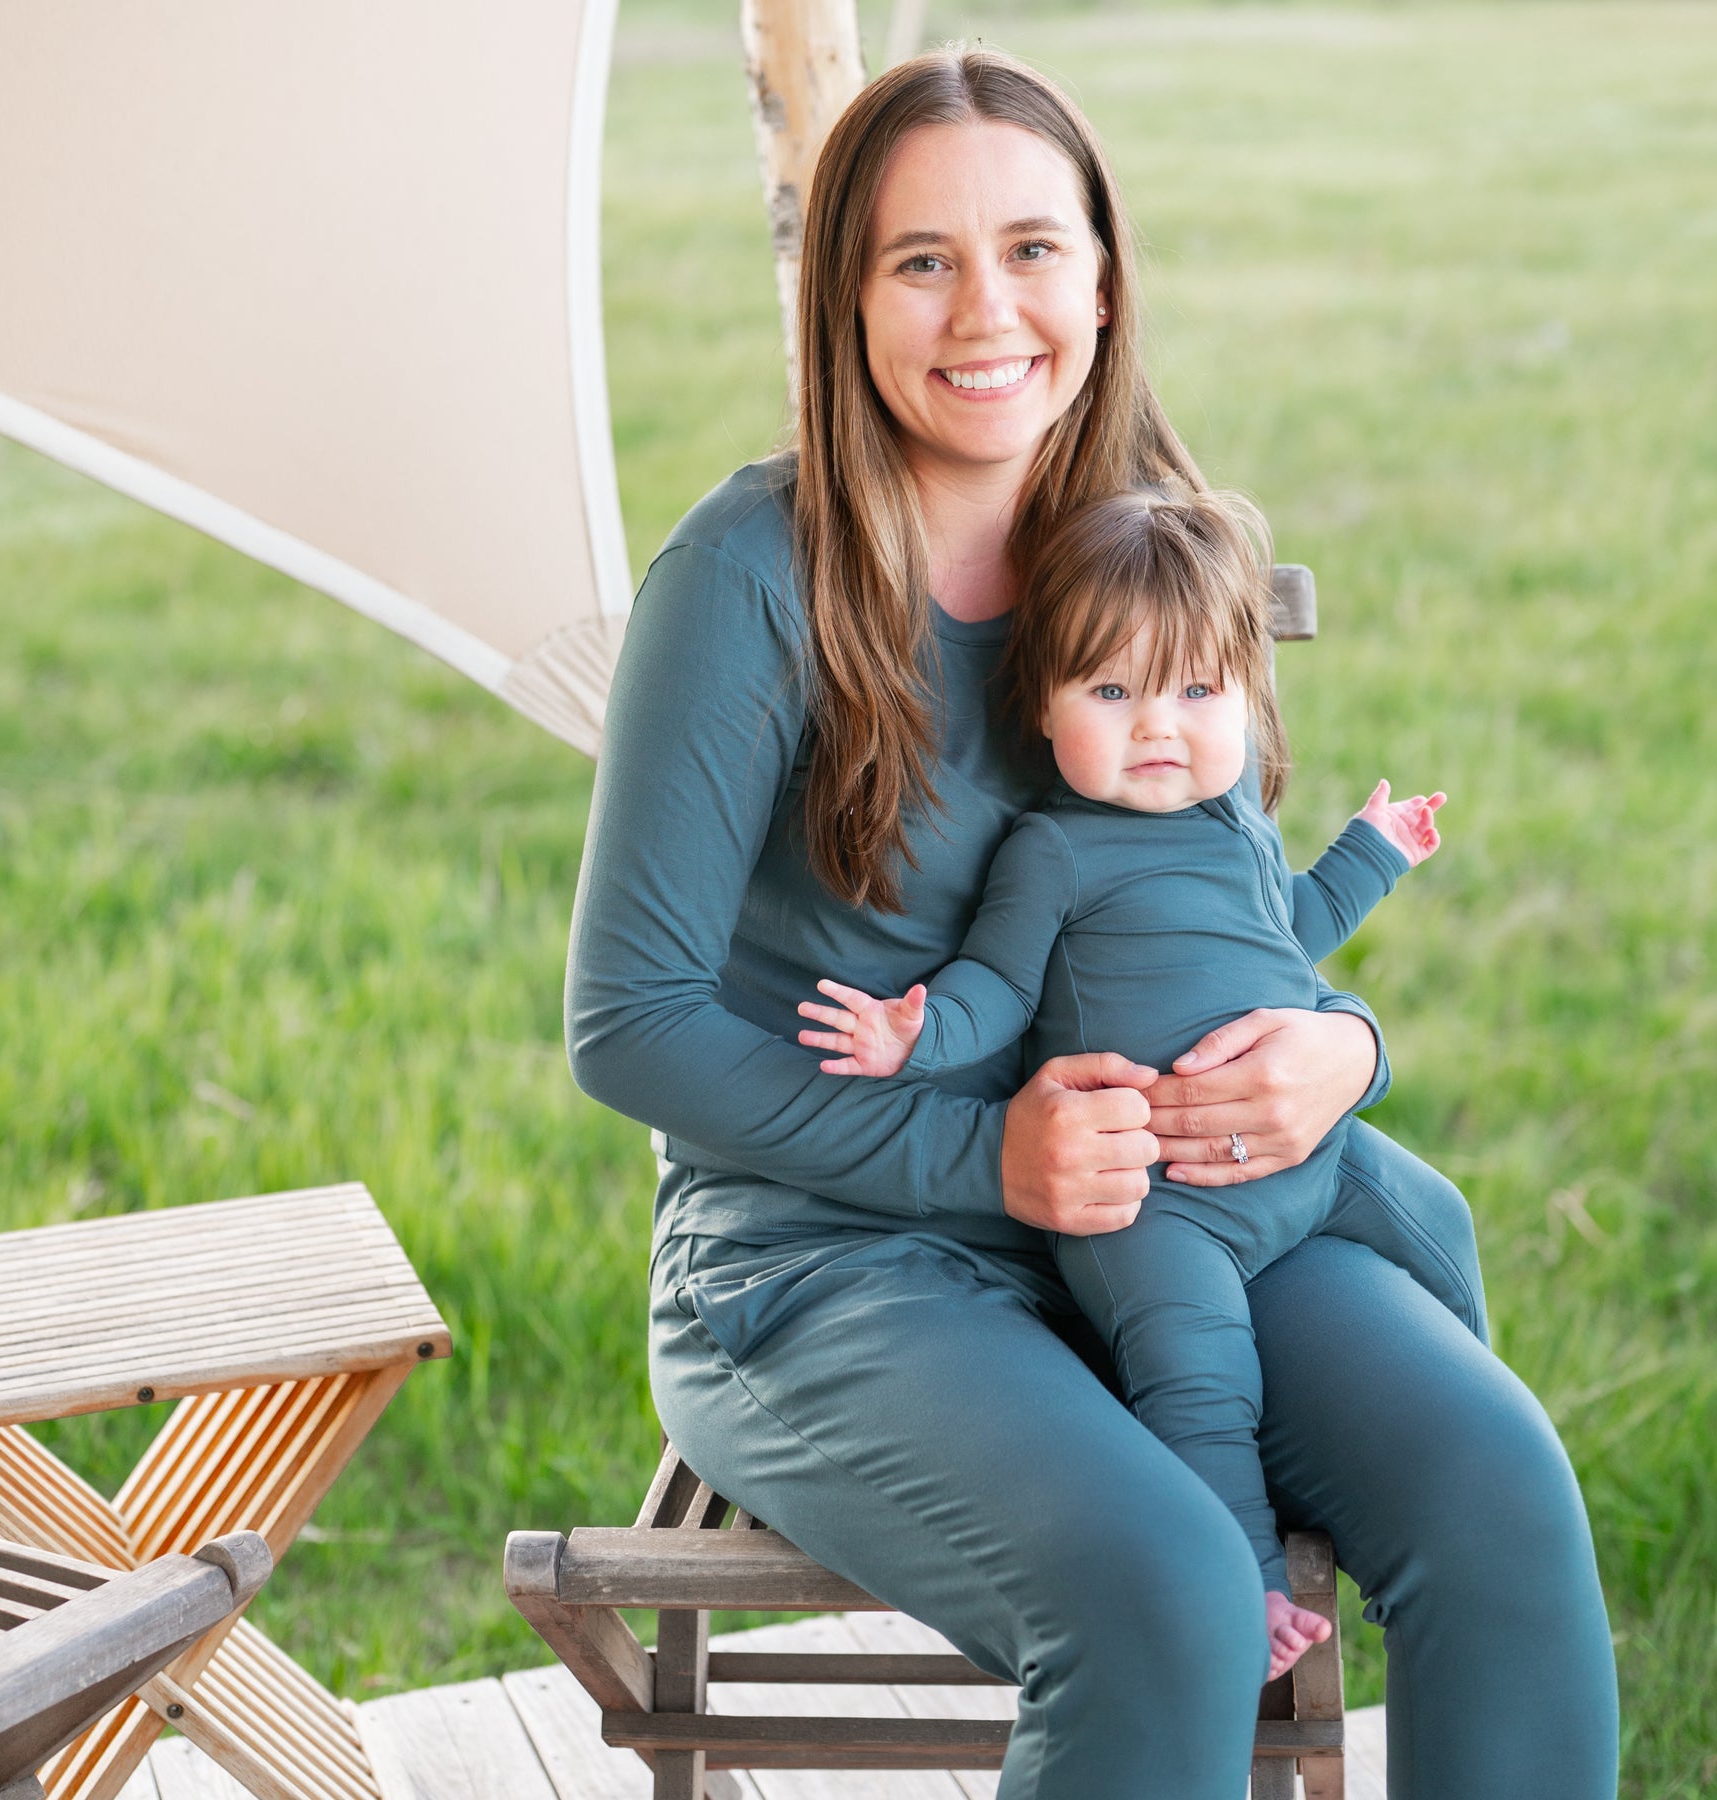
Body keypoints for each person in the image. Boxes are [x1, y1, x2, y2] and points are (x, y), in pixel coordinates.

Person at [566, 45, 1618, 1799]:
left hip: (1181, 1219)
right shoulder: (752, 578)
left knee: (1501, 1490)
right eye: (923, 260)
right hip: (834, 1260)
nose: (990, 308)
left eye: (1035, 247)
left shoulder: (1143, 543)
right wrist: (999, 1168)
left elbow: (1236, 918)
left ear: (1107, 272)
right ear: (845, 296)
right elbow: (631, 1025)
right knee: (1167, 1590)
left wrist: (1340, 1051)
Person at [794, 481, 1484, 1681]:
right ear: (1045, 706)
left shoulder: (1236, 827)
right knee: (1193, 1372)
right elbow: (997, 993)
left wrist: (1372, 855)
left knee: (1443, 1221)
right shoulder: (1052, 851)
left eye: (1197, 692)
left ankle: (1426, 1491)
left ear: (1248, 698)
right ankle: (1251, 1587)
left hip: (1310, 1161)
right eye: (1111, 692)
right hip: (1156, 1206)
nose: (1158, 726)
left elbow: (1294, 931)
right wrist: (916, 1033)